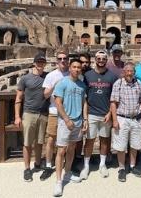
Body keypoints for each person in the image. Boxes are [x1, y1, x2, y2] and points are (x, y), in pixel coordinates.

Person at [52, 59, 89, 197]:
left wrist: (85, 119)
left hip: (78, 121)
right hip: (65, 122)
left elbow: (84, 102)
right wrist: (66, 119)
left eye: (79, 67)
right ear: (70, 68)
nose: (77, 69)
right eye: (74, 67)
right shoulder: (62, 83)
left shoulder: (81, 85)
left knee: (72, 148)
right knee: (61, 150)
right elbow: (58, 103)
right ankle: (58, 181)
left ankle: (67, 173)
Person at [81, 50, 118, 179]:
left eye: (103, 59)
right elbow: (84, 98)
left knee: (104, 140)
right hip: (91, 113)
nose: (101, 61)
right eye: (99, 58)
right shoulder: (87, 76)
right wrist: (85, 117)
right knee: (90, 140)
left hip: (105, 114)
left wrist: (110, 113)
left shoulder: (112, 76)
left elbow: (114, 97)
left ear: (106, 60)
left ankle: (102, 164)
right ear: (95, 60)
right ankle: (86, 166)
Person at [14, 54, 50, 182]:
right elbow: (18, 98)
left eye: (42, 62)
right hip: (29, 113)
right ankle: (27, 169)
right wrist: (17, 116)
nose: (40, 64)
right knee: (27, 143)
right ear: (34, 63)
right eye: (38, 62)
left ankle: (38, 163)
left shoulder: (48, 77)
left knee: (40, 142)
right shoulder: (25, 79)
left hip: (43, 114)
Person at [109, 62, 141, 182]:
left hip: (136, 118)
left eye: (131, 71)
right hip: (122, 118)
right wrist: (114, 120)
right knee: (121, 146)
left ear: (134, 72)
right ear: (123, 72)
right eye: (127, 71)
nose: (129, 73)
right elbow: (113, 103)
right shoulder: (118, 84)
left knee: (135, 145)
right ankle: (121, 168)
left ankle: (132, 166)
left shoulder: (138, 83)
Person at [41, 51, 70, 180]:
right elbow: (46, 95)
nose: (63, 60)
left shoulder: (72, 73)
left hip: (69, 112)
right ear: (56, 60)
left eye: (65, 58)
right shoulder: (51, 75)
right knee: (51, 139)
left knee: (68, 140)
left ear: (68, 60)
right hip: (54, 112)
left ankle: (66, 165)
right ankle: (48, 165)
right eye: (60, 58)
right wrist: (55, 84)